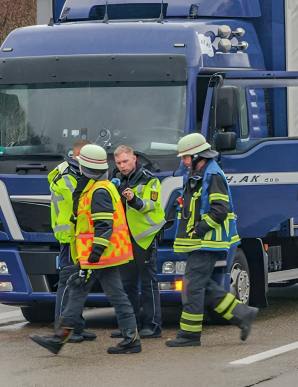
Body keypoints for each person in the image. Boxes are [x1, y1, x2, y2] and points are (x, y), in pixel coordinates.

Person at [30, 144, 141, 354]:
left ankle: (59, 339)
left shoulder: (98, 192)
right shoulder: (98, 186)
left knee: (79, 293)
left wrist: (92, 258)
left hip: (98, 255)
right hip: (103, 256)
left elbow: (103, 227)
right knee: (97, 295)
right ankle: (131, 339)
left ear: (85, 167)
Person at [167, 133, 257, 347]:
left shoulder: (212, 175)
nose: (183, 161)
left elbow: (219, 210)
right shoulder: (201, 173)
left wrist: (198, 229)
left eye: (186, 157)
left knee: (191, 287)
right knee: (204, 286)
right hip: (202, 242)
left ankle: (189, 335)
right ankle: (243, 314)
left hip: (207, 241)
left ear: (198, 156)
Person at [110, 145, 165, 339]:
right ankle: (129, 327)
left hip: (145, 237)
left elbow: (152, 204)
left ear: (134, 158)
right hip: (124, 238)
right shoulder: (115, 180)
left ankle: (152, 326)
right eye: (118, 163)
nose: (122, 166)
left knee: (148, 283)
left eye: (125, 161)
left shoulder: (149, 179)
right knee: (127, 283)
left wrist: (134, 200)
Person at [49, 139, 97, 343]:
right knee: (67, 284)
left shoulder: (72, 172)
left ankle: (77, 326)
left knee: (77, 283)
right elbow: (80, 202)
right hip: (70, 236)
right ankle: (61, 329)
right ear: (79, 156)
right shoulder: (69, 176)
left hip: (77, 235)